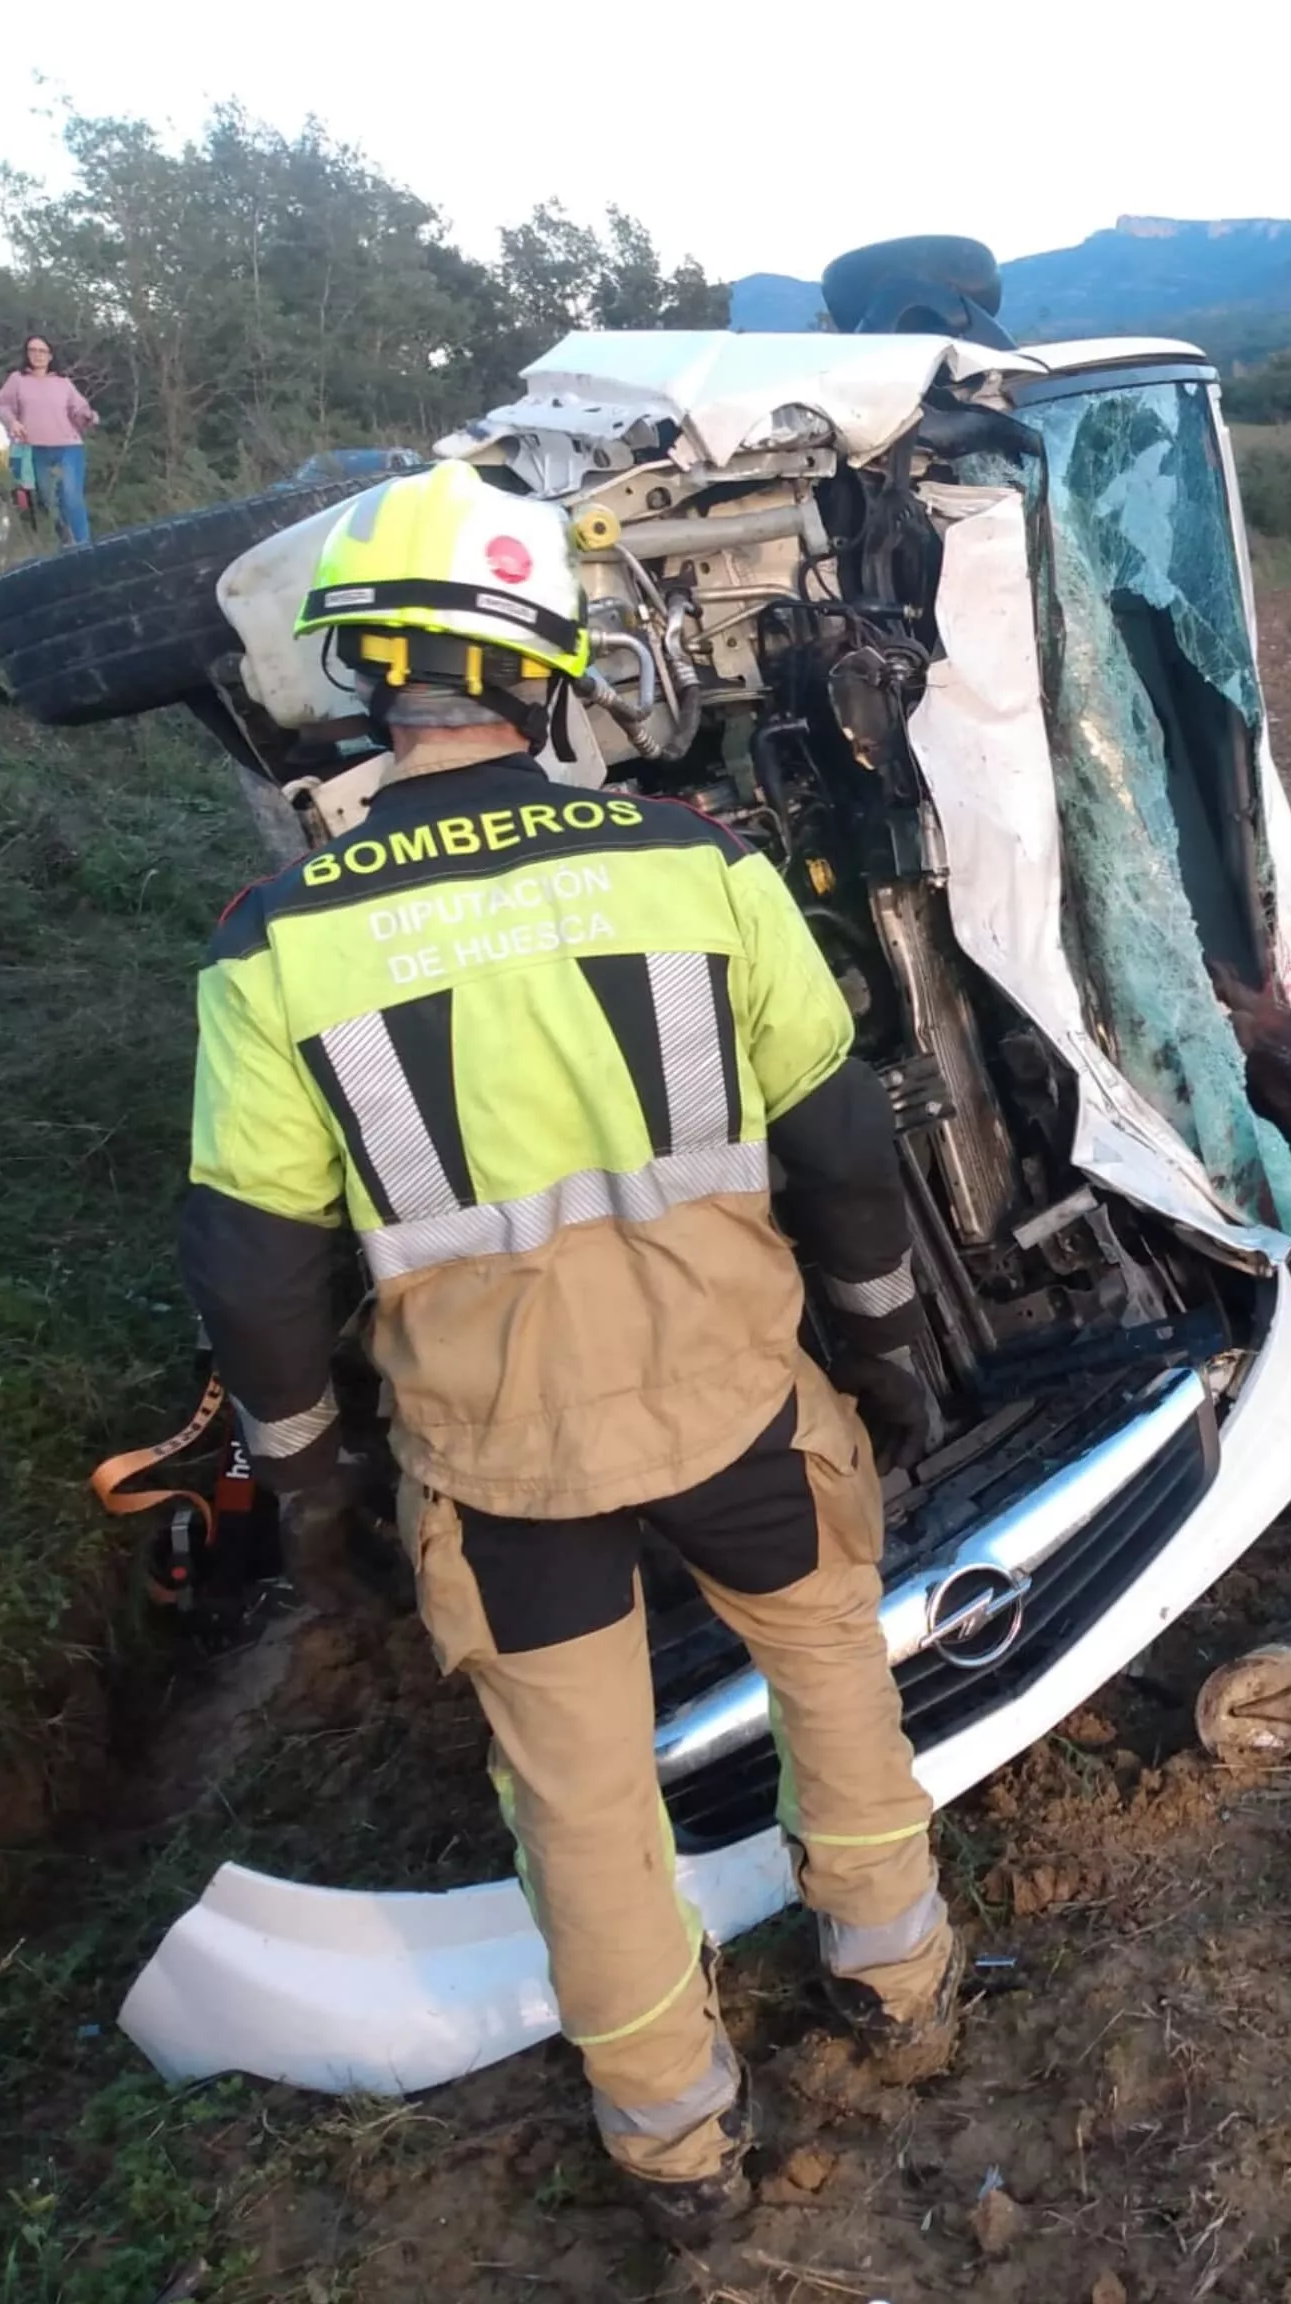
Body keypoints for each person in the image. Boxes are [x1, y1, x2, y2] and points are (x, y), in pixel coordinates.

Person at [177, 461, 962, 2244]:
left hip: (498, 1453)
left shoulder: (277, 945)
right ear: (545, 672)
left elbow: (255, 1264)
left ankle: (674, 2139)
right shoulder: (696, 867)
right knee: (830, 1665)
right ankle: (898, 1980)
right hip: (733, 1404)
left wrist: (312, 1485)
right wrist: (884, 1350)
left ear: (373, 680)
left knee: (584, 1792)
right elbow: (840, 1144)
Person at [0, 335, 96, 547]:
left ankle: (84, 545)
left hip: (67, 447)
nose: (37, 355)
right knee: (49, 502)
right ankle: (66, 543)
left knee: (70, 496)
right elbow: (1, 406)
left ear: (50, 356)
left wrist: (87, 416)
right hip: (36, 449)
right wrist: (12, 423)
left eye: (42, 351)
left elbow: (79, 409)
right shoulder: (17, 380)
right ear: (26, 354)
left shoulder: (63, 383)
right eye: (33, 350)